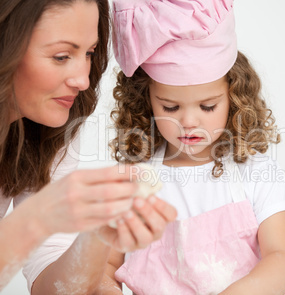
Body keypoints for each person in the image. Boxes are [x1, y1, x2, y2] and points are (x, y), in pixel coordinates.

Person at [101, 0, 285, 294]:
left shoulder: (256, 173)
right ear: (146, 100)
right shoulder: (133, 180)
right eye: (170, 107)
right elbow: (105, 266)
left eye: (207, 106)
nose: (188, 121)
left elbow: (284, 258)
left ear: (233, 97)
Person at [0, 0, 177, 292]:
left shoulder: (50, 126)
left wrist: (100, 235)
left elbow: (52, 284)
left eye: (89, 53)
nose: (83, 80)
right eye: (61, 56)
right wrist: (38, 216)